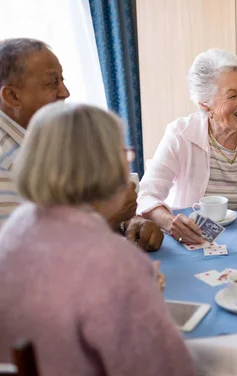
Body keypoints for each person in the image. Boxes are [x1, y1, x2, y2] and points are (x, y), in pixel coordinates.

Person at [0, 102, 193, 376]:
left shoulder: (16, 226)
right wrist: (142, 292)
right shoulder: (116, 263)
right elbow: (168, 369)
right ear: (107, 169)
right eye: (124, 156)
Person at [0, 37, 162, 251]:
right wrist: (106, 216)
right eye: (52, 83)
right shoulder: (5, 162)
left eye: (62, 80)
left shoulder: (55, 135)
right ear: (12, 96)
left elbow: (78, 204)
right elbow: (24, 255)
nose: (65, 92)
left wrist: (130, 223)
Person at [138, 48, 237, 244]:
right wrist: (170, 222)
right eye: (232, 96)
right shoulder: (180, 134)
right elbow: (146, 195)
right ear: (205, 104)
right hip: (190, 240)